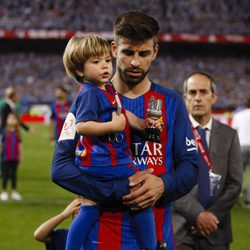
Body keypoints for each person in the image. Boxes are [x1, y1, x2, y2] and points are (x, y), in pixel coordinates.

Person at [51, 10, 198, 250]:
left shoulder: (171, 102)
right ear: (113, 49)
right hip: (99, 238)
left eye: (144, 53)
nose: (135, 62)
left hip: (156, 236)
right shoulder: (87, 99)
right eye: (128, 52)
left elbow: (190, 166)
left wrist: (163, 184)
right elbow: (60, 169)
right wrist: (113, 191)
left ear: (155, 52)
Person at [62, 34, 160, 250]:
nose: (105, 67)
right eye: (96, 62)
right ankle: (151, 246)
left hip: (99, 162)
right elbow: (82, 126)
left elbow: (120, 112)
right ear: (80, 70)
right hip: (103, 162)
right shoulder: (89, 94)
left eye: (107, 60)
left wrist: (140, 124)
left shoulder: (106, 89)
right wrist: (113, 127)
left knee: (90, 207)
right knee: (140, 193)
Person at [172, 71, 243, 250]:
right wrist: (198, 215)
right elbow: (169, 182)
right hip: (180, 230)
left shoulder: (229, 135)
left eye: (203, 92)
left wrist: (210, 216)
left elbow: (234, 184)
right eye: (192, 92)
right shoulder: (173, 134)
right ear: (184, 97)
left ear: (214, 97)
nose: (197, 98)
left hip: (216, 229)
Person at [0, 113, 23, 201]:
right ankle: (4, 191)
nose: (12, 120)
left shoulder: (18, 132)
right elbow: (1, 144)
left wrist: (21, 155)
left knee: (14, 175)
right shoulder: (4, 131)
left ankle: (14, 191)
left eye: (14, 118)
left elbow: (20, 145)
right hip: (5, 157)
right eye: (10, 118)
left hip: (15, 158)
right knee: (5, 175)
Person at [232, 97, 250, 207]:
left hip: (241, 145)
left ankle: (234, 197)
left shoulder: (239, 115)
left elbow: (233, 131)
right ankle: (248, 200)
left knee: (237, 173)